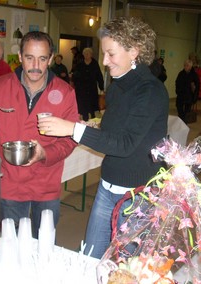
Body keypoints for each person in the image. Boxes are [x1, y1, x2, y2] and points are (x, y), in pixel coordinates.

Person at [38, 17, 169, 259]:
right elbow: (112, 132)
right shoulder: (118, 87)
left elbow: (125, 144)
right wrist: (87, 126)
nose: (105, 61)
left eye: (111, 54)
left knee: (125, 265)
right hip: (107, 186)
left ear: (134, 52)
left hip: (136, 195)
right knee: (90, 257)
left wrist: (73, 129)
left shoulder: (150, 91)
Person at [0, 31, 79, 238]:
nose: (35, 65)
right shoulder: (2, 85)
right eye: (29, 58)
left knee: (43, 247)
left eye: (42, 58)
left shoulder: (65, 92)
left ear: (51, 59)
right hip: (11, 183)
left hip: (46, 183)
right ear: (20, 57)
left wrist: (45, 153)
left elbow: (71, 139)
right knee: (11, 245)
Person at [72, 47, 104, 121]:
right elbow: (75, 75)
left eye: (88, 53)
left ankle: (92, 121)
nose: (86, 55)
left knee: (92, 106)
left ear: (91, 55)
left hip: (91, 88)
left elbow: (99, 76)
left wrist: (101, 88)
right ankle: (84, 120)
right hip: (82, 89)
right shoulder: (80, 64)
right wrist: (76, 85)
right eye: (85, 54)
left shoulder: (95, 64)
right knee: (83, 107)